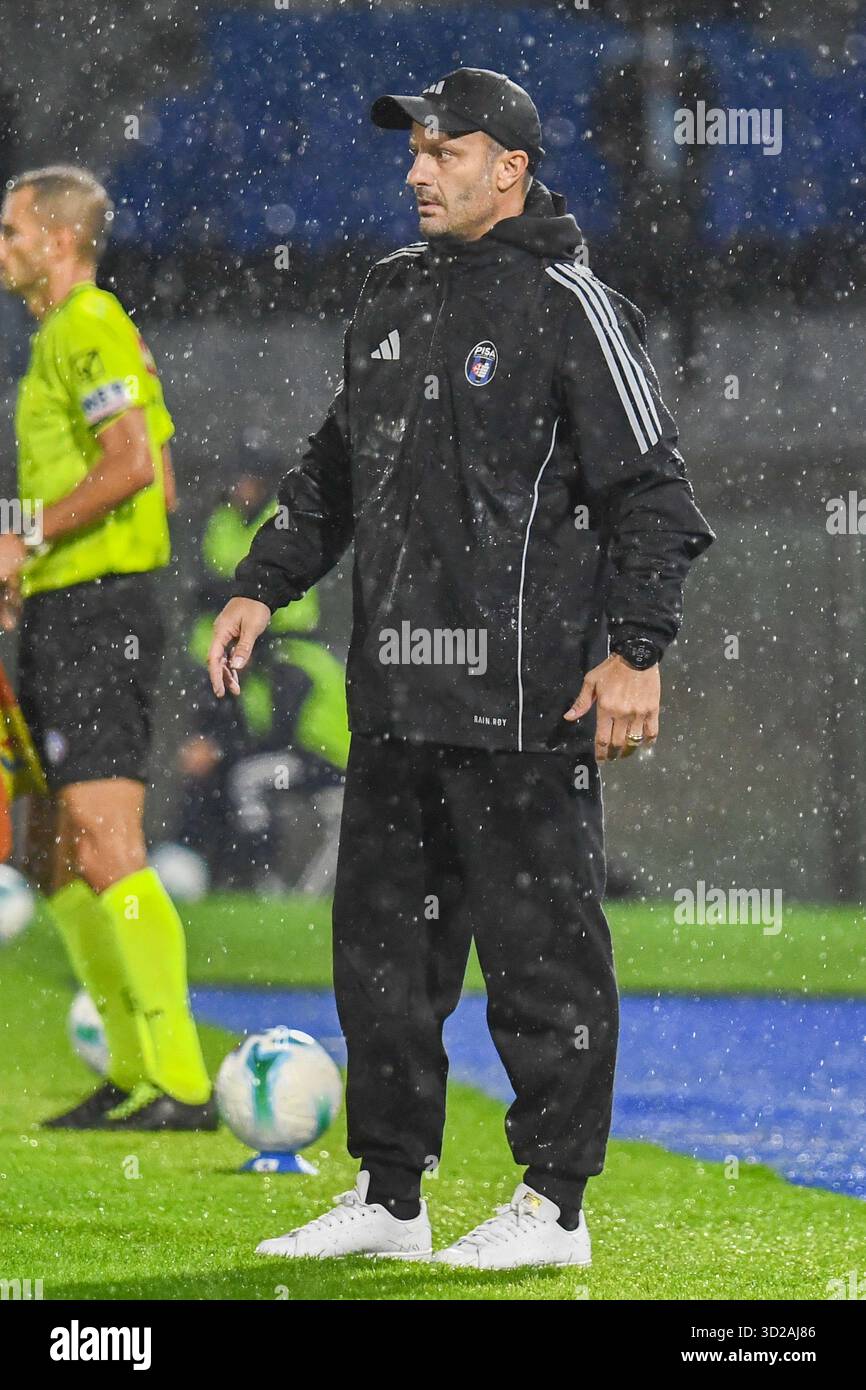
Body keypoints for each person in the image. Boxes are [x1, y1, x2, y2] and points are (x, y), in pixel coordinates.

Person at [209, 69, 715, 1268]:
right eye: (414, 149)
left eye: (446, 150)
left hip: (528, 699)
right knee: (383, 964)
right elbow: (335, 464)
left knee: (542, 961)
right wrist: (259, 580)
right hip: (394, 697)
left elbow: (655, 498)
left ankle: (554, 1208)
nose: (418, 169)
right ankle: (390, 1198)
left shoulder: (569, 302)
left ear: (511, 170)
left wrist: (634, 652)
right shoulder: (387, 294)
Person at [0, 165, 215, 1130]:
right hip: (59, 608)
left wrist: (28, 535)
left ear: (57, 238)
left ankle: (183, 1083)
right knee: (50, 852)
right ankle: (132, 1071)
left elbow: (133, 469)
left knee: (105, 838)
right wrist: (23, 559)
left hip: (100, 613)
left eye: (10, 232)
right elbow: (155, 474)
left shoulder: (86, 322)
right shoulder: (64, 336)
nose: (1, 249)